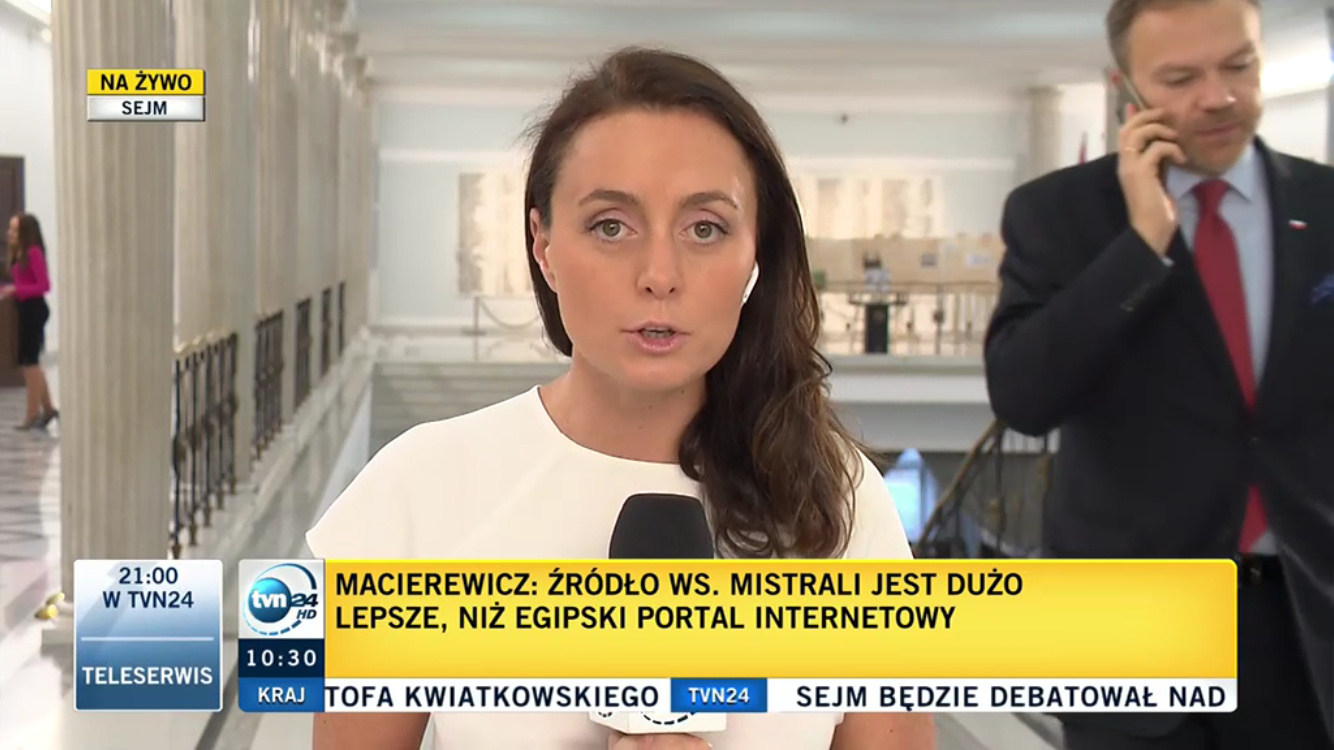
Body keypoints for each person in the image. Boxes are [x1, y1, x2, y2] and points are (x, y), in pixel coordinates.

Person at [305, 48, 935, 750]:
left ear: (756, 253)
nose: (659, 274)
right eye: (611, 225)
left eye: (705, 228)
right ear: (543, 244)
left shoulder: (842, 501)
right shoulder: (418, 488)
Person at [984, 0, 1334, 748]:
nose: (1219, 96)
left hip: (1303, 621)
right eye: (1181, 79)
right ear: (1127, 89)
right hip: (1132, 623)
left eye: (1239, 66)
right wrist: (1142, 246)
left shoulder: (1325, 206)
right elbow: (1022, 396)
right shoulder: (1058, 215)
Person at [3, 213, 57, 430]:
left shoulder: (34, 253)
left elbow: (44, 286)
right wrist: (10, 290)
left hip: (35, 310)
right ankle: (48, 409)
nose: (10, 233)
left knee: (30, 363)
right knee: (31, 362)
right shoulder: (19, 254)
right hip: (25, 309)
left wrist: (17, 289)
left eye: (15, 230)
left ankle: (32, 414)